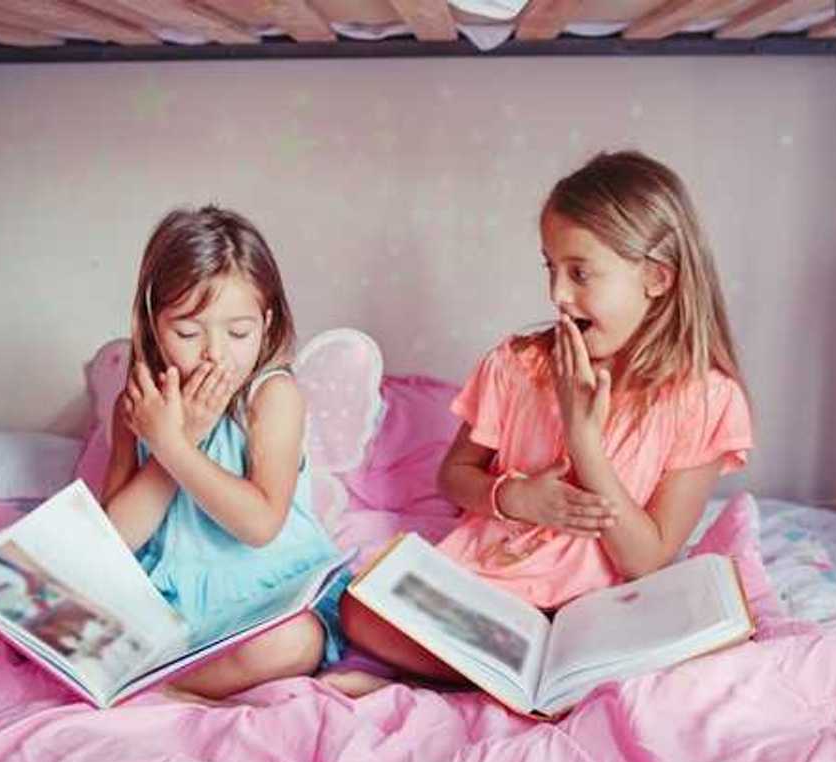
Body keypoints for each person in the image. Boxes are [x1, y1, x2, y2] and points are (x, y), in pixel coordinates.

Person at [335, 151, 754, 691]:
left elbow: (646, 560)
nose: (557, 294)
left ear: (656, 278)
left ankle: (491, 678)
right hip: (491, 593)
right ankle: (500, 677)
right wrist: (514, 497)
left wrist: (585, 443)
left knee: (705, 649)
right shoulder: (518, 366)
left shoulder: (704, 400)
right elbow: (454, 475)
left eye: (580, 273)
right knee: (360, 610)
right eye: (550, 269)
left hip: (601, 614)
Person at [102, 204, 351, 701]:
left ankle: (165, 686)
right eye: (189, 333)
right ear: (153, 325)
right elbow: (112, 542)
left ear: (267, 320)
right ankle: (174, 674)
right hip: (171, 605)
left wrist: (176, 446)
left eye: (238, 333)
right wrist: (176, 435)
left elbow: (260, 524)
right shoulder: (137, 406)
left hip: (266, 597)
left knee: (295, 643)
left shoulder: (273, 397)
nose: (216, 353)